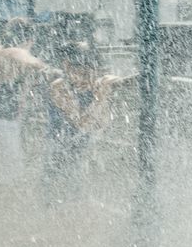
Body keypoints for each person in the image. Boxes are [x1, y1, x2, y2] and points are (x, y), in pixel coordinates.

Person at [42, 43, 132, 201]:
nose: (80, 77)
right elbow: (82, 124)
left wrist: (106, 89)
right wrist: (101, 97)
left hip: (85, 156)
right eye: (74, 71)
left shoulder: (96, 85)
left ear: (95, 70)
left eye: (86, 72)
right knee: (59, 203)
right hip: (60, 155)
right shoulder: (59, 87)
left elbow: (102, 124)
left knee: (81, 204)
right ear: (66, 67)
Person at [0, 18, 50, 186]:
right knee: (14, 182)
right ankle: (4, 211)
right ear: (29, 40)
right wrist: (50, 71)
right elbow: (33, 62)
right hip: (0, 125)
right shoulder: (15, 51)